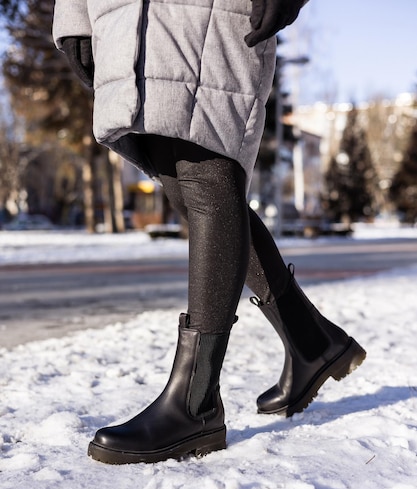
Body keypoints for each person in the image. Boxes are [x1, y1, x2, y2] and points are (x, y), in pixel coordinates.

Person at [53, 0, 366, 465]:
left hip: (214, 11)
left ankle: (195, 402)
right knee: (186, 188)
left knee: (207, 174)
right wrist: (75, 15)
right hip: (120, 14)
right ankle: (312, 342)